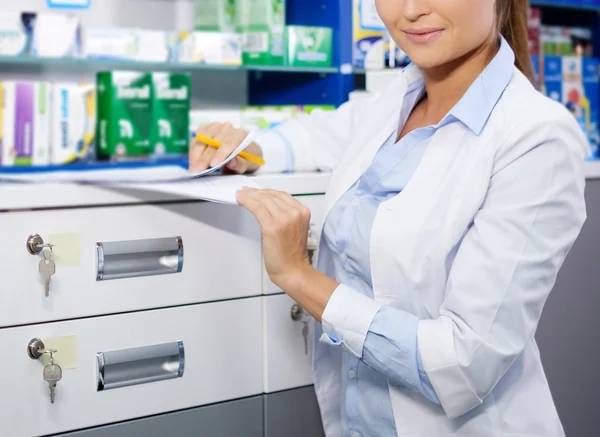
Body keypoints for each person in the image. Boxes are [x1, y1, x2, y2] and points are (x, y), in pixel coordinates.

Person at [189, 0, 588, 434]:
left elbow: (463, 363)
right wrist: (243, 150)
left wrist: (300, 277)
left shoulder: (537, 138)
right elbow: (310, 138)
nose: (411, 10)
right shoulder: (397, 99)